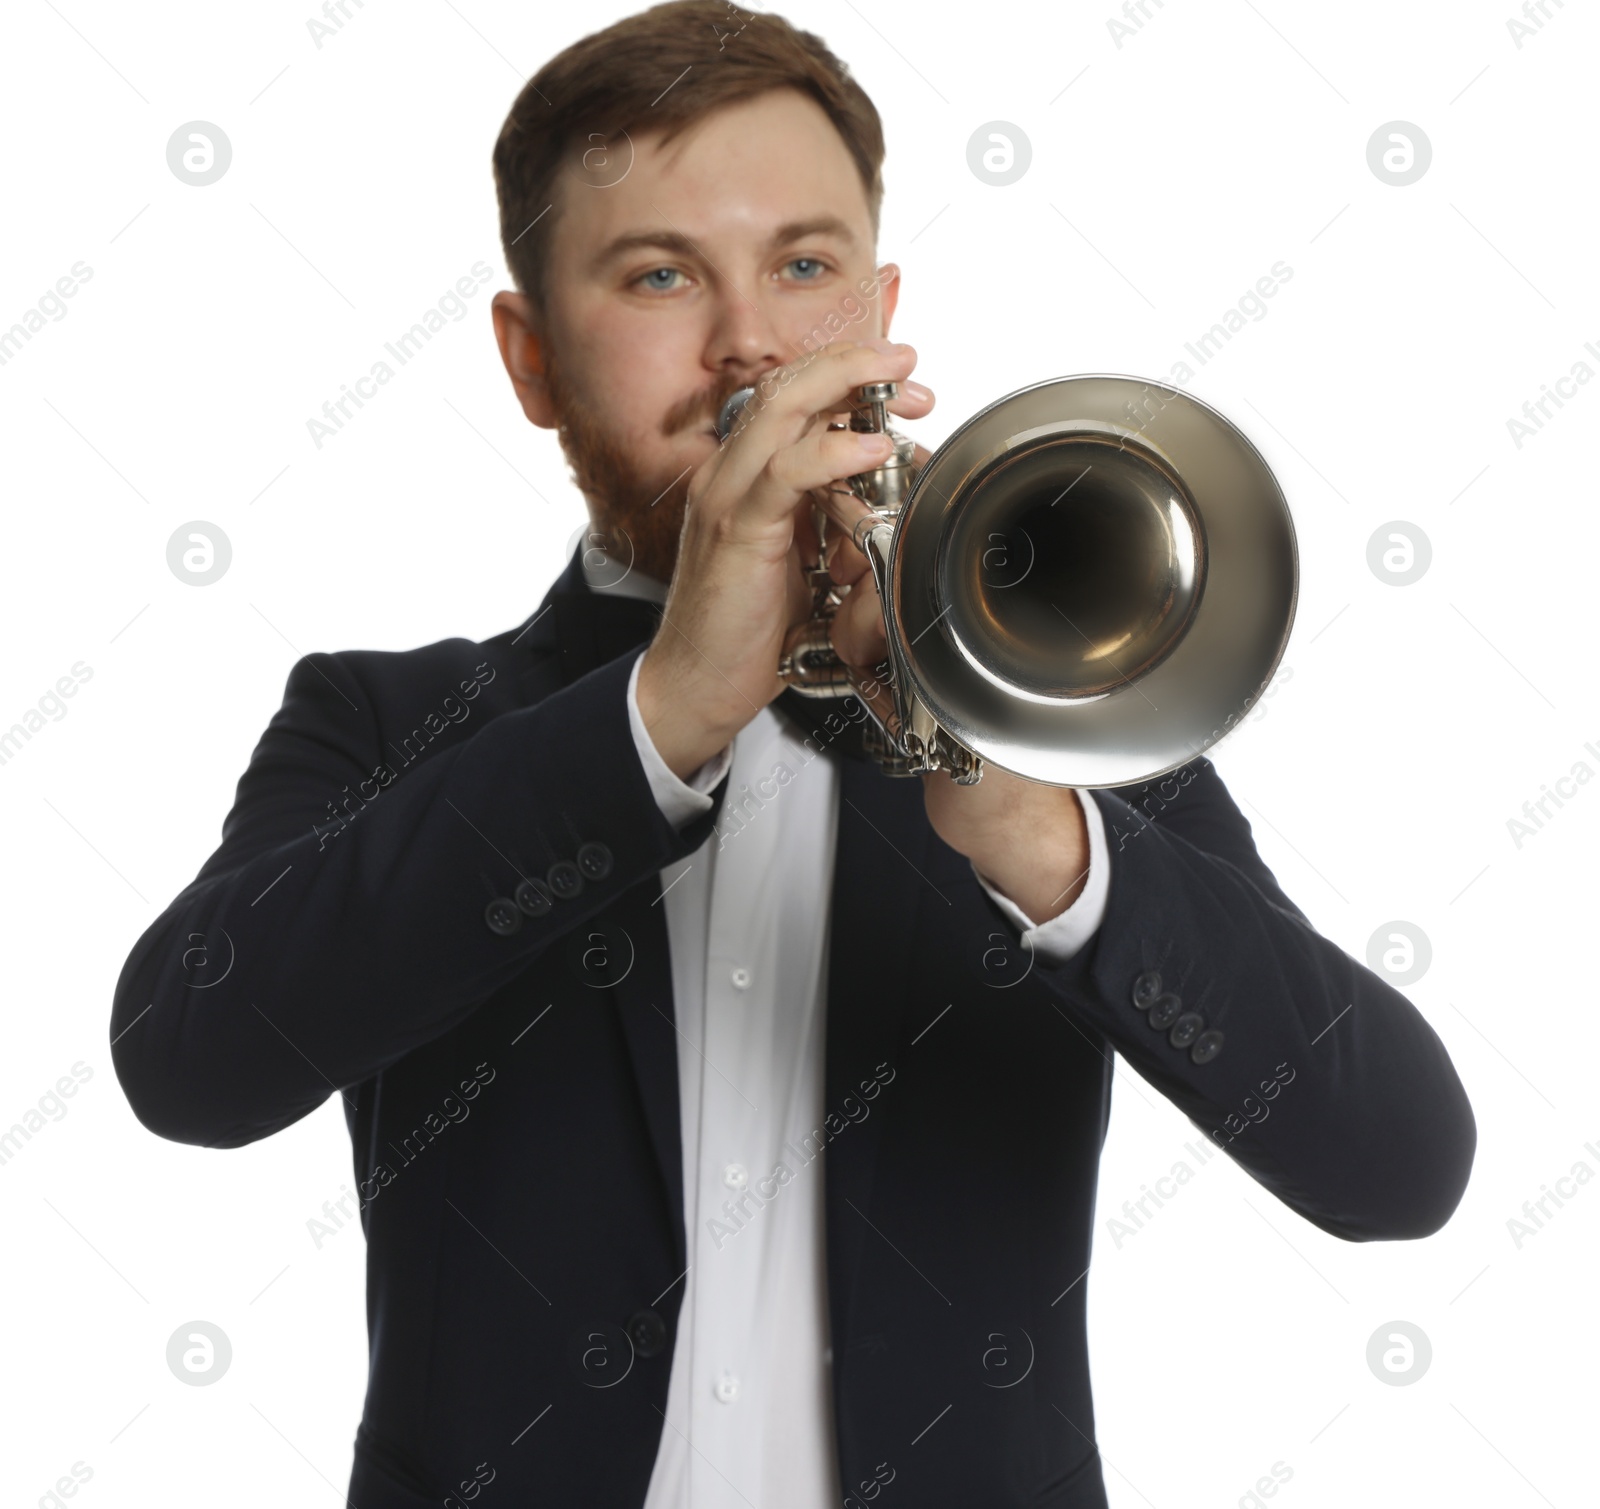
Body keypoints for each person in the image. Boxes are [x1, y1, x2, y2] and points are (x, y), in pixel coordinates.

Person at [109, 4, 1477, 1505]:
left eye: (806, 266)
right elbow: (189, 1062)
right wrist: (662, 715)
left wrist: (1042, 840)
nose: (750, 339)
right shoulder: (383, 722)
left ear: (882, 315)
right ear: (532, 357)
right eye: (657, 274)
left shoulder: (1059, 741)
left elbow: (1398, 1162)